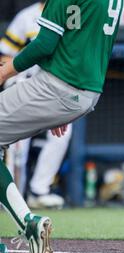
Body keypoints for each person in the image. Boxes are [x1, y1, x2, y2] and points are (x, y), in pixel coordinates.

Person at [0, 0, 124, 253]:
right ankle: (21, 229)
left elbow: (44, 44)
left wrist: (3, 72)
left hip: (57, 86)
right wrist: (57, 108)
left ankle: (27, 224)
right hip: (83, 91)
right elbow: (82, 42)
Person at [0, 1, 69, 209]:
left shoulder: (70, 11)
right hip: (25, 81)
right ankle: (12, 196)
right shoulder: (26, 16)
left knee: (65, 131)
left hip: (54, 85)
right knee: (18, 142)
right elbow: (5, 54)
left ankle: (40, 190)